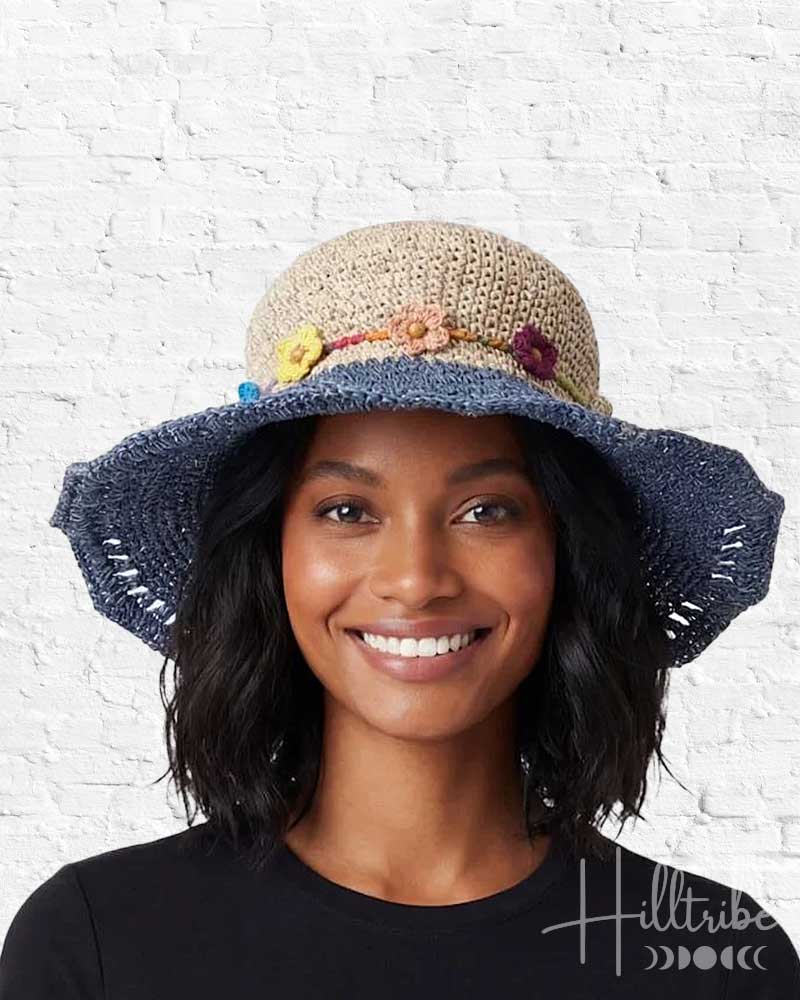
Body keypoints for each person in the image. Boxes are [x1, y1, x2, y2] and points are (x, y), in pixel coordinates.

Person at [1, 219, 797, 998]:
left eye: (486, 510)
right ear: (268, 552)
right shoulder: (99, 944)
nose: (416, 581)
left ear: (568, 552)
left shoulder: (721, 961)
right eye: (348, 511)